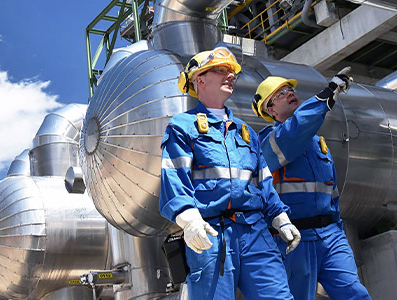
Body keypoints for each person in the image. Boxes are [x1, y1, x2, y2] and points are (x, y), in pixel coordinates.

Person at [159, 46, 301, 300]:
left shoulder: (246, 132)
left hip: (256, 231)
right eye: (221, 70)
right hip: (211, 234)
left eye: (232, 72)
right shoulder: (182, 127)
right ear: (199, 80)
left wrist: (281, 218)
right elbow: (174, 178)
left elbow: (263, 182)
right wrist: (189, 220)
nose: (230, 76)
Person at [251, 68, 372, 300]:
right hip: (294, 239)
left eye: (290, 90)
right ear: (271, 109)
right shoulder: (269, 141)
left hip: (330, 235)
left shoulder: (319, 145)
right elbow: (296, 131)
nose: (289, 94)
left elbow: (331, 193)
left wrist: (337, 229)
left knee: (355, 293)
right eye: (280, 94)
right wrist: (327, 95)